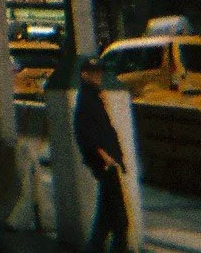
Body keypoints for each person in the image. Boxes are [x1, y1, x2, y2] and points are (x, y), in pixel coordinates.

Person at [74, 55, 129, 253]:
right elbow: (87, 134)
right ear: (84, 74)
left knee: (105, 220)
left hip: (108, 164)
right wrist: (105, 158)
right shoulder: (87, 100)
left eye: (99, 72)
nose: (98, 76)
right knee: (120, 221)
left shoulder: (95, 96)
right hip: (105, 165)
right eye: (93, 73)